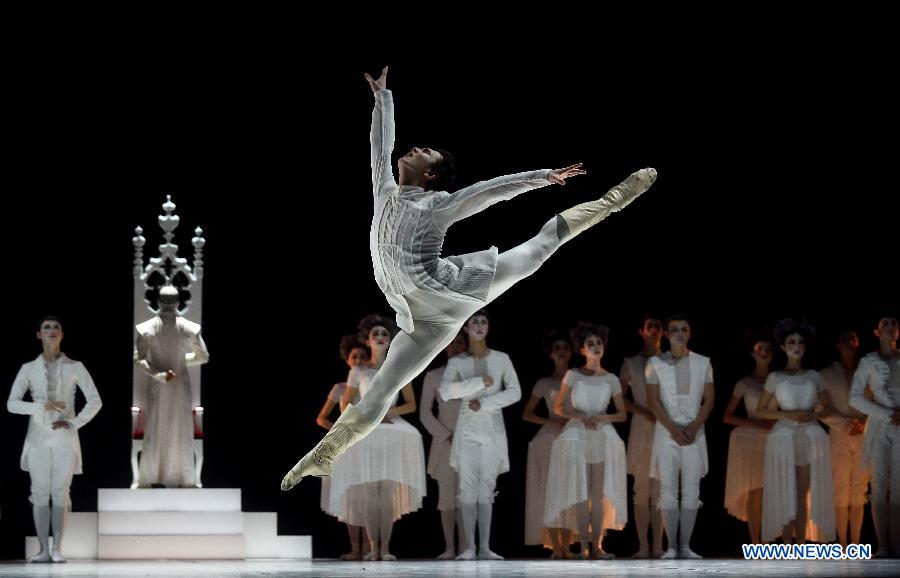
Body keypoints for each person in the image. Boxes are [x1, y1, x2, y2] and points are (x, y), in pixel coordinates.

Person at [282, 66, 657, 490]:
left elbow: (489, 191)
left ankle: (610, 201)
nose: (416, 148)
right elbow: (379, 147)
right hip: (418, 319)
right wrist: (382, 98)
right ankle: (325, 454)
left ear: (432, 174)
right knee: (383, 388)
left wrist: (541, 178)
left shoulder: (437, 205)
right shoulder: (384, 190)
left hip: (449, 291)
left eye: (426, 152)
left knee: (536, 251)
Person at [7, 316, 102, 563]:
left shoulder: (75, 366)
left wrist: (73, 423)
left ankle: (57, 549)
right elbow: (12, 404)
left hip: (64, 438)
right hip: (38, 437)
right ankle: (42, 550)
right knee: (39, 492)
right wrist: (41, 406)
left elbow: (95, 400)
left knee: (60, 492)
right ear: (39, 334)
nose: (52, 330)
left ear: (62, 334)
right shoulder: (28, 368)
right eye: (46, 327)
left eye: (56, 327)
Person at [439, 311, 519, 560]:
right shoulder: (457, 362)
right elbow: (445, 391)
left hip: (492, 426)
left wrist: (486, 403)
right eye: (474, 322)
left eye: (483, 321)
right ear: (465, 328)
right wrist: (477, 384)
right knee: (468, 486)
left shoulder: (502, 359)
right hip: (468, 427)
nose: (479, 326)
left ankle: (484, 547)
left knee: (486, 486)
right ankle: (469, 548)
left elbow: (515, 391)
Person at [544, 322, 627, 559]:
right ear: (582, 350)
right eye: (590, 344)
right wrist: (581, 416)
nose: (595, 346)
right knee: (581, 493)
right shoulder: (573, 375)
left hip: (601, 435)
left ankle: (597, 546)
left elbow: (622, 414)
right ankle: (582, 548)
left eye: (598, 343)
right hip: (577, 436)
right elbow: (559, 407)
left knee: (597, 495)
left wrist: (601, 417)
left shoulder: (610, 378)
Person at [757, 318, 835, 545]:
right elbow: (761, 410)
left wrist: (815, 416)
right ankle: (786, 544)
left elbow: (829, 407)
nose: (796, 346)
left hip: (809, 435)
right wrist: (787, 415)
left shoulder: (813, 376)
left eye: (800, 342)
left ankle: (800, 543)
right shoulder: (776, 377)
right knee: (784, 491)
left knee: (801, 493)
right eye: (791, 342)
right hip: (783, 437)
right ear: (783, 347)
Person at [646, 314, 715, 559]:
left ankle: (685, 545)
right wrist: (673, 430)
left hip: (694, 434)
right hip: (667, 434)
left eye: (684, 329)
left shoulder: (703, 362)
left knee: (691, 490)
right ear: (666, 334)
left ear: (690, 333)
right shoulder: (655, 363)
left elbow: (709, 399)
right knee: (667, 489)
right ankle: (671, 546)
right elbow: (653, 401)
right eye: (674, 329)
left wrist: (694, 427)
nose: (680, 333)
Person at [134, 284, 210, 487]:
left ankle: (173, 477)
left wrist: (171, 367)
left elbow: (139, 359)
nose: (168, 304)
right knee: (161, 426)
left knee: (174, 427)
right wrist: (169, 369)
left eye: (169, 299)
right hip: (165, 385)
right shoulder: (149, 328)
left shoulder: (184, 327)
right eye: (166, 299)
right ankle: (158, 476)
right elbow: (202, 356)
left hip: (172, 385)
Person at [315, 334, 370, 560]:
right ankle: (356, 548)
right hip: (347, 444)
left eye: (362, 356)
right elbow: (321, 418)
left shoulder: (370, 385)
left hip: (368, 441)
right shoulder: (339, 388)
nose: (358, 360)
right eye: (354, 356)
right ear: (347, 360)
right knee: (351, 495)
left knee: (368, 493)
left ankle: (371, 547)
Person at [849, 315, 900, 556]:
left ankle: (897, 544)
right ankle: (883, 545)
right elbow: (854, 397)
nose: (890, 327)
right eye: (884, 325)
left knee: (898, 485)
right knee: (878, 484)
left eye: (894, 324)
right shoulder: (869, 361)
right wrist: (887, 414)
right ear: (877, 333)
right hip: (880, 425)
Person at [523, 330, 574, 558]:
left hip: (574, 436)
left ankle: (568, 545)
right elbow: (527, 413)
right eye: (557, 349)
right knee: (549, 489)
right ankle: (556, 546)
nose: (561, 352)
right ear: (551, 354)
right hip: (551, 438)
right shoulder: (544, 383)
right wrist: (550, 421)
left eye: (565, 348)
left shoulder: (578, 378)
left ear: (571, 352)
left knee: (571, 489)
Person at [722, 332, 775, 544]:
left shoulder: (779, 380)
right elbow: (727, 416)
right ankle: (756, 543)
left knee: (772, 492)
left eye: (768, 349)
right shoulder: (745, 383)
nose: (764, 353)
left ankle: (771, 541)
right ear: (753, 353)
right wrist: (757, 424)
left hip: (775, 439)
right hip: (753, 440)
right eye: (760, 349)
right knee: (755, 492)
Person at [419, 331, 468, 559]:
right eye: (452, 342)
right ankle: (449, 547)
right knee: (447, 494)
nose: (456, 346)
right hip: (446, 440)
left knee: (468, 495)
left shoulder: (475, 374)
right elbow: (425, 412)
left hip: (471, 439)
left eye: (460, 342)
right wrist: (445, 434)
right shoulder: (434, 376)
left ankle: (468, 547)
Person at [620, 315, 665, 558]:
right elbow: (619, 397)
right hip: (641, 425)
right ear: (642, 331)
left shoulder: (670, 361)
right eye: (650, 326)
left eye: (658, 326)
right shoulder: (631, 363)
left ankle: (658, 546)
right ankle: (643, 547)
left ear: (663, 332)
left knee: (661, 489)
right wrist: (643, 410)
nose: (654, 330)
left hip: (665, 427)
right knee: (641, 487)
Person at [819, 330, 869, 548]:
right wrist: (845, 424)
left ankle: (856, 544)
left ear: (858, 344)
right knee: (840, 488)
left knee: (859, 489)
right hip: (839, 436)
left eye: (853, 339)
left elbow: (878, 401)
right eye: (845, 340)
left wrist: (865, 423)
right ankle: (842, 543)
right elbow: (819, 406)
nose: (849, 343)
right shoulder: (826, 375)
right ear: (838, 346)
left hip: (864, 436)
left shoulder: (867, 372)